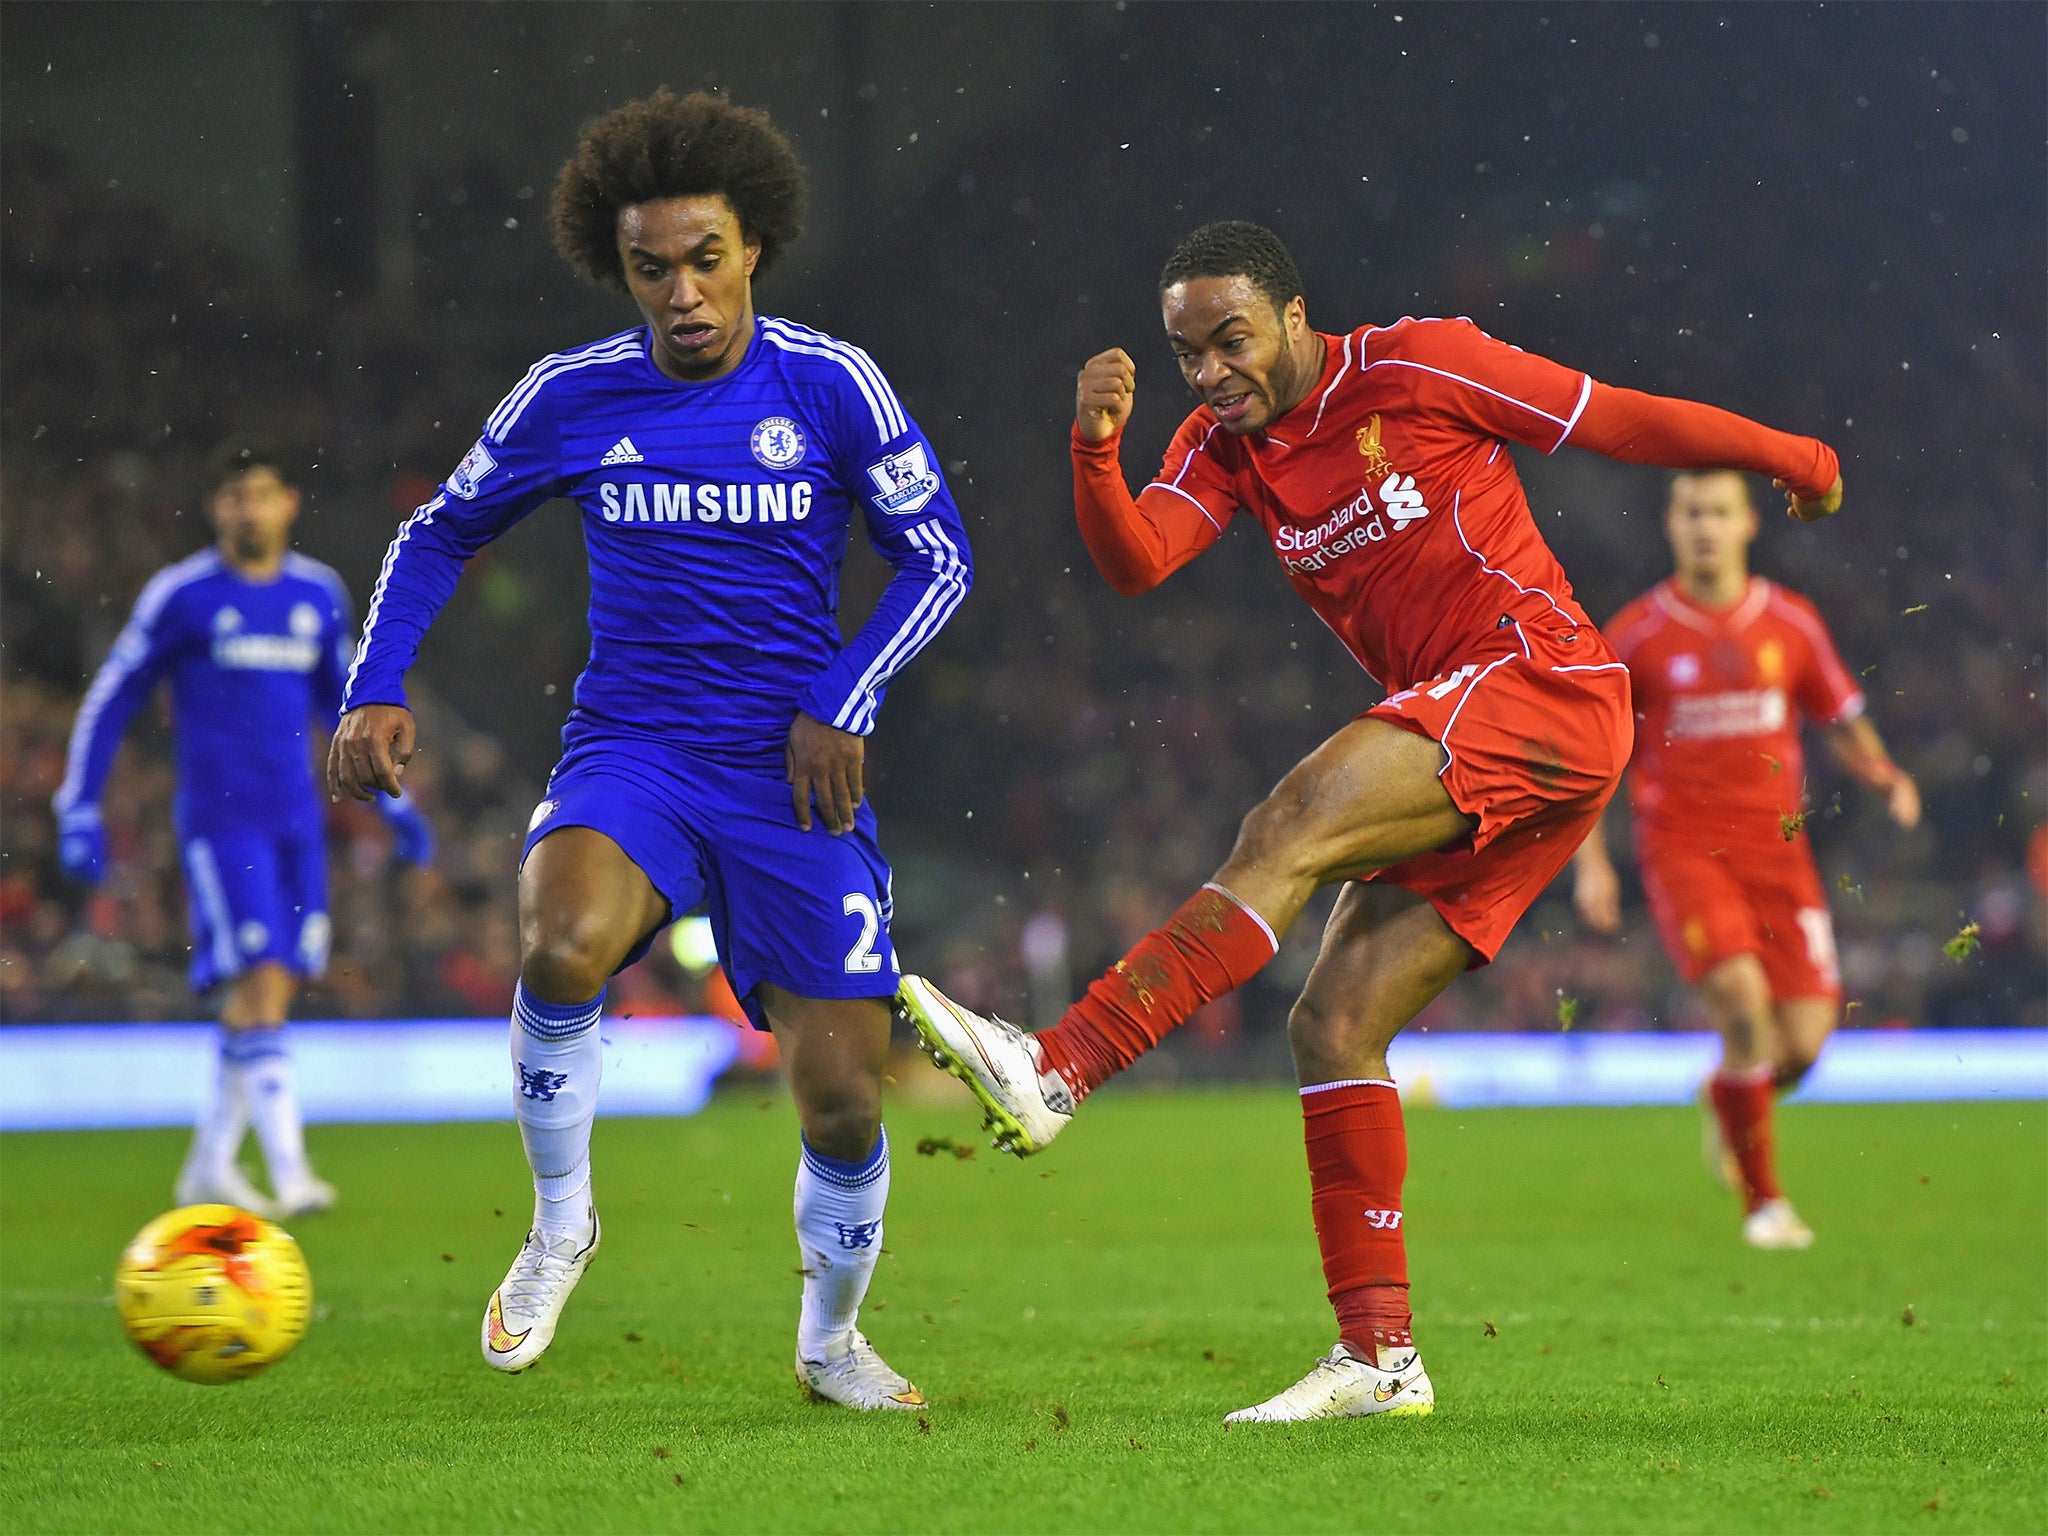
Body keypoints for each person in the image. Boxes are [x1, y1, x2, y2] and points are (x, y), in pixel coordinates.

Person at [898, 220, 1842, 1424]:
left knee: (1285, 818)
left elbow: (1616, 418)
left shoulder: (1416, 365)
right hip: (1479, 730)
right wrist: (1094, 451)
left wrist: (1793, 457)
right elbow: (1137, 560)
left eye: (1228, 342)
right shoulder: (1222, 448)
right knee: (1332, 1023)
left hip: (1538, 678)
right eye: (1186, 353)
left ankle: (1059, 1067)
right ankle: (1378, 1357)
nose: (1207, 375)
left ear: (1293, 316)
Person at [329, 90, 971, 1408]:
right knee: (559, 941)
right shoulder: (572, 395)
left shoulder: (830, 382)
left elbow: (940, 557)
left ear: (753, 250)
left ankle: (829, 1342)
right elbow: (443, 528)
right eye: (650, 268)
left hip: (794, 772)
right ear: (617, 269)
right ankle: (562, 1222)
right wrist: (376, 682)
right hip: (638, 748)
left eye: (705, 259)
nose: (681, 291)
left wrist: (845, 694)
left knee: (844, 1100)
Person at [53, 440, 433, 1218]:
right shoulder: (182, 596)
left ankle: (207, 1168)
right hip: (221, 824)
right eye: (233, 497)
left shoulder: (317, 593)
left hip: (297, 822)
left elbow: (345, 705)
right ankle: (291, 1174)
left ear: (288, 502)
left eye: (261, 494)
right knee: (260, 980)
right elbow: (115, 696)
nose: (248, 509)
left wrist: (398, 803)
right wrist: (80, 802)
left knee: (276, 986)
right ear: (214, 509)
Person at [1571, 470, 1919, 1249]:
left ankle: (1722, 1095)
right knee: (1740, 998)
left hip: (1780, 856)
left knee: (1798, 1047)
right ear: (1672, 524)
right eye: (1691, 512)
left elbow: (1840, 716)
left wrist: (1887, 774)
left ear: (1747, 524)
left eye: (1719, 512)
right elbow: (1597, 760)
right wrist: (1591, 863)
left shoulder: (1790, 623)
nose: (1705, 527)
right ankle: (1765, 1205)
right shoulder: (1636, 635)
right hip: (1685, 852)